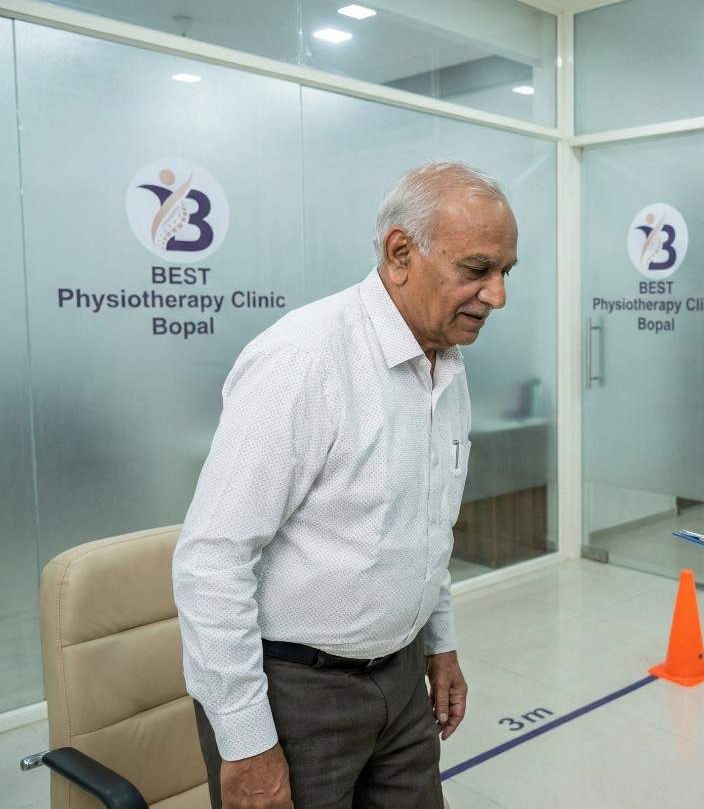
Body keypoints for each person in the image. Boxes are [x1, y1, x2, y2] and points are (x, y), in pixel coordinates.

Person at [173, 161, 519, 809]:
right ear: (399, 254)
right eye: (476, 270)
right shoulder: (304, 363)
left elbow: (426, 525)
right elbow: (210, 562)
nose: (497, 295)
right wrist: (246, 744)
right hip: (295, 695)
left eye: (506, 272)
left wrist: (439, 646)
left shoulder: (445, 363)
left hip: (400, 679)